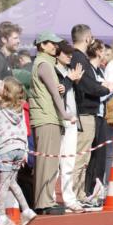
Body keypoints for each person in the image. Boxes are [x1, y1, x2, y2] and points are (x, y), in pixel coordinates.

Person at [28, 31, 75, 215]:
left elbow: (54, 90)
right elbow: (54, 93)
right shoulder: (44, 64)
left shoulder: (45, 63)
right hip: (47, 117)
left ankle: (44, 200)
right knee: (47, 161)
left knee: (48, 161)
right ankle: (43, 202)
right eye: (52, 43)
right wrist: (65, 114)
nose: (56, 46)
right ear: (42, 45)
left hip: (47, 117)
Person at [70, 25, 113, 204]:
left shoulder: (79, 58)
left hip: (87, 112)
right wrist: (105, 87)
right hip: (84, 113)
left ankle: (80, 193)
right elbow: (87, 85)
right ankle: (74, 194)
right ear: (88, 38)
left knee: (85, 157)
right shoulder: (78, 58)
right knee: (80, 156)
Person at [0, 77, 36, 225]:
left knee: (3, 184)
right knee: (11, 182)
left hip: (5, 148)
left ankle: (2, 216)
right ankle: (27, 210)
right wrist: (25, 150)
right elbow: (23, 129)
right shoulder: (19, 108)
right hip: (19, 147)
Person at [55, 40, 85, 213]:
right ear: (58, 53)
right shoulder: (53, 69)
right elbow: (58, 92)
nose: (69, 56)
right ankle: (52, 198)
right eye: (66, 53)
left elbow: (76, 97)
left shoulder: (69, 71)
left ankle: (69, 198)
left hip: (73, 120)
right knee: (55, 161)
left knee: (69, 162)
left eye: (71, 54)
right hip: (59, 120)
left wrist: (76, 82)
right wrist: (69, 80)